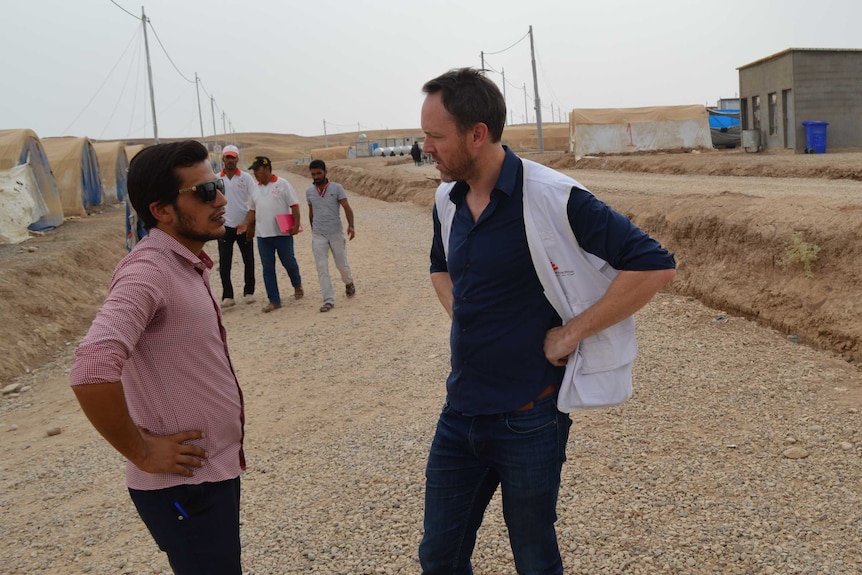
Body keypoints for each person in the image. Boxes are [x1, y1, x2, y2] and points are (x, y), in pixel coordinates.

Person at [420, 68, 677, 575]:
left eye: (435, 136)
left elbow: (654, 266)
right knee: (438, 557)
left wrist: (571, 333)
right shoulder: (445, 199)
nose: (426, 146)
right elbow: (439, 268)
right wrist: (465, 316)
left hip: (528, 420)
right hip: (459, 415)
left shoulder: (553, 196)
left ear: (477, 133)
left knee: (535, 559)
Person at [70, 140, 246, 575]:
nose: (221, 200)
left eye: (219, 186)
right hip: (185, 487)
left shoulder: (183, 262)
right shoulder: (148, 270)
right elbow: (91, 369)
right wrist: (141, 451)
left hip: (208, 476)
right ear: (162, 210)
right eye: (205, 192)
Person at [242, 155, 303, 312]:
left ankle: (297, 284)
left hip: (282, 233)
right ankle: (274, 300)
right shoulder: (255, 188)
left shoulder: (282, 184)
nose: (255, 173)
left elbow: (294, 205)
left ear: (267, 168)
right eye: (253, 170)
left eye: (257, 169)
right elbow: (252, 210)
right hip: (263, 236)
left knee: (289, 262)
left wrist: (296, 225)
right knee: (267, 268)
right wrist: (246, 225)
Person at [305, 160, 356, 312]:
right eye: (313, 174)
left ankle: (348, 282)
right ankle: (328, 300)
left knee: (341, 265)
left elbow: (347, 207)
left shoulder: (336, 188)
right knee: (321, 267)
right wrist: (313, 229)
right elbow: (311, 212)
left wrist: (351, 226)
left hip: (335, 233)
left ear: (325, 171)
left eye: (319, 173)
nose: (316, 177)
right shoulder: (309, 192)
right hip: (318, 234)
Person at [217, 144, 257, 308]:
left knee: (248, 260)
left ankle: (249, 292)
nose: (230, 160)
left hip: (243, 225)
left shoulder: (246, 178)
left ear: (237, 159)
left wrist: (250, 222)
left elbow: (254, 199)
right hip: (223, 226)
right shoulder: (216, 178)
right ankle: (228, 295)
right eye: (228, 157)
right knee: (224, 262)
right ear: (223, 159)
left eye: (233, 157)